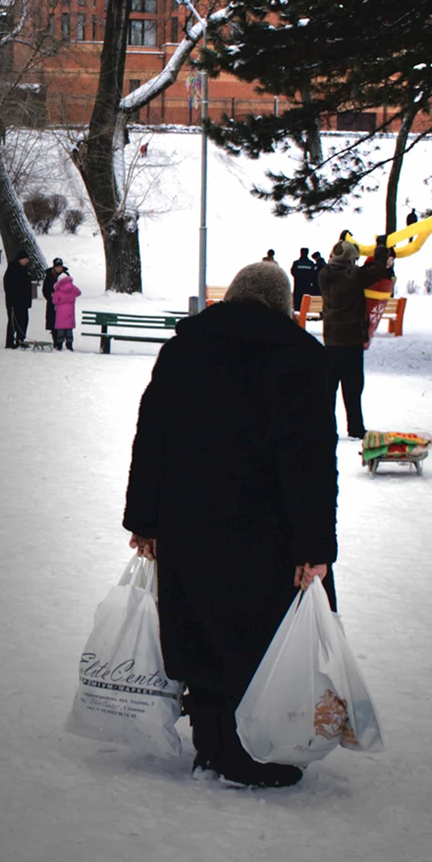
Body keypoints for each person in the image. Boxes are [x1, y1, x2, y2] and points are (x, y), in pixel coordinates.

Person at [124, 260, 335, 789]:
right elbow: (311, 461)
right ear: (284, 303)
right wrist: (314, 546)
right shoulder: (302, 358)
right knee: (262, 639)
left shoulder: (185, 348)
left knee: (201, 630)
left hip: (189, 521)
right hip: (270, 532)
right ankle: (254, 757)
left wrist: (145, 521)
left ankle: (212, 747)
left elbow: (152, 437)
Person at [315, 236, 392, 438]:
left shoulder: (324, 275)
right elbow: (377, 271)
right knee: (353, 387)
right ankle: (356, 428)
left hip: (331, 339)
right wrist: (381, 250)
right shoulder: (354, 276)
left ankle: (326, 427)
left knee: (329, 387)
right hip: (352, 340)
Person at [3, 249, 36, 349]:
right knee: (13, 322)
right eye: (25, 259)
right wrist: (12, 299)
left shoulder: (25, 269)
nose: (27, 261)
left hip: (23, 302)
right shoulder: (12, 269)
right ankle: (10, 341)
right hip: (14, 302)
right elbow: (8, 286)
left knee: (24, 320)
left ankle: (20, 339)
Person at [50, 262, 82, 350]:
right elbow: (79, 293)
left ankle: (59, 344)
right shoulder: (72, 288)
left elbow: (54, 301)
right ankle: (69, 344)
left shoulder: (58, 290)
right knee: (69, 328)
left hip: (60, 312)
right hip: (70, 311)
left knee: (61, 328)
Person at [289, 247, 319, 314]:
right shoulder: (311, 263)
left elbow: (293, 271)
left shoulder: (296, 263)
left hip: (298, 285)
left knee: (298, 303)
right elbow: (313, 274)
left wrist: (298, 277)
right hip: (307, 286)